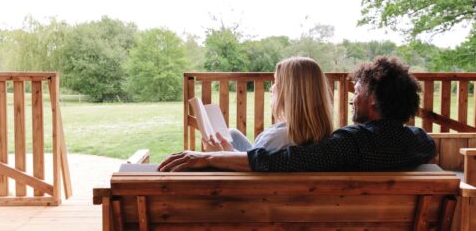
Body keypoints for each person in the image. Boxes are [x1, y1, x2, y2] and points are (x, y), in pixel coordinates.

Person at [158, 56, 435, 172]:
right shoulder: (418, 141)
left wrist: (209, 156)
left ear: (373, 99)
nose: (353, 97)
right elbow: (428, 144)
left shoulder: (350, 144)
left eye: (358, 91)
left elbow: (283, 159)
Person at [204, 57, 333, 153]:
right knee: (232, 134)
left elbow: (249, 167)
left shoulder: (276, 139)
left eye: (277, 83)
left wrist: (222, 154)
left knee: (217, 144)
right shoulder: (315, 132)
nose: (271, 88)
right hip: (256, 161)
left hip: (248, 175)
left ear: (290, 94)